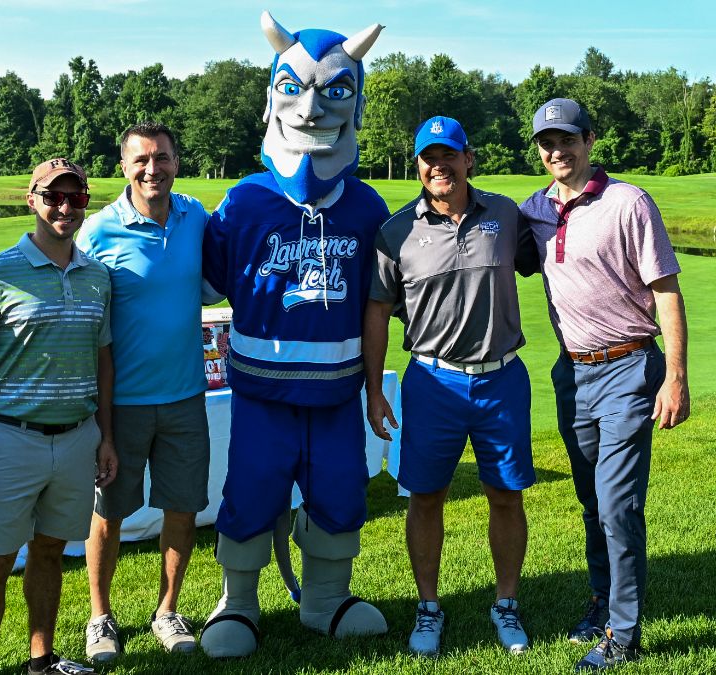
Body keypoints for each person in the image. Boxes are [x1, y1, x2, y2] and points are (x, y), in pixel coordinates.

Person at [199, 12, 389, 658]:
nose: (310, 110)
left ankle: (326, 598)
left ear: (356, 102)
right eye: (293, 89)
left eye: (334, 91)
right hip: (262, 394)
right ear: (272, 95)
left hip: (336, 394)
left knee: (340, 487)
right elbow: (204, 283)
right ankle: (238, 599)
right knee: (252, 487)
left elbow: (382, 300)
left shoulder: (366, 207)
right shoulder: (244, 201)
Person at [518, 98, 690, 672]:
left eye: (567, 140)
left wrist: (675, 377)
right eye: (547, 143)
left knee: (618, 504)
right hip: (572, 374)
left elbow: (666, 291)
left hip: (628, 368)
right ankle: (601, 600)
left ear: (590, 141)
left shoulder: (628, 202)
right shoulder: (535, 210)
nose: (557, 152)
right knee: (592, 500)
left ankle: (624, 632)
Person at [364, 116, 540, 657]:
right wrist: (374, 390)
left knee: (505, 494)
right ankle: (428, 607)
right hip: (431, 380)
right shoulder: (396, 232)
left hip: (501, 378)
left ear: (468, 159)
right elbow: (377, 313)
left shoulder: (505, 215)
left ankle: (506, 603)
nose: (439, 166)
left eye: (449, 156)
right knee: (425, 496)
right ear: (418, 165)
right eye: (429, 158)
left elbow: (554, 262)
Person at [0, 158, 116, 675]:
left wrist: (105, 437)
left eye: (76, 197)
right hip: (10, 439)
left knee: (49, 552)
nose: (65, 207)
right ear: (32, 200)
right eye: (53, 197)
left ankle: (41, 661)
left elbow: (103, 362)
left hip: (77, 437)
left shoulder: (97, 276)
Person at [76, 123, 211, 662]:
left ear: (177, 162)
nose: (152, 169)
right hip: (121, 404)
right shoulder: (97, 232)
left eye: (162, 158)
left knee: (182, 508)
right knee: (109, 514)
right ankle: (100, 616)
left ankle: (167, 610)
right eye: (141, 160)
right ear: (124, 167)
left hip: (185, 397)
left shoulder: (195, 217)